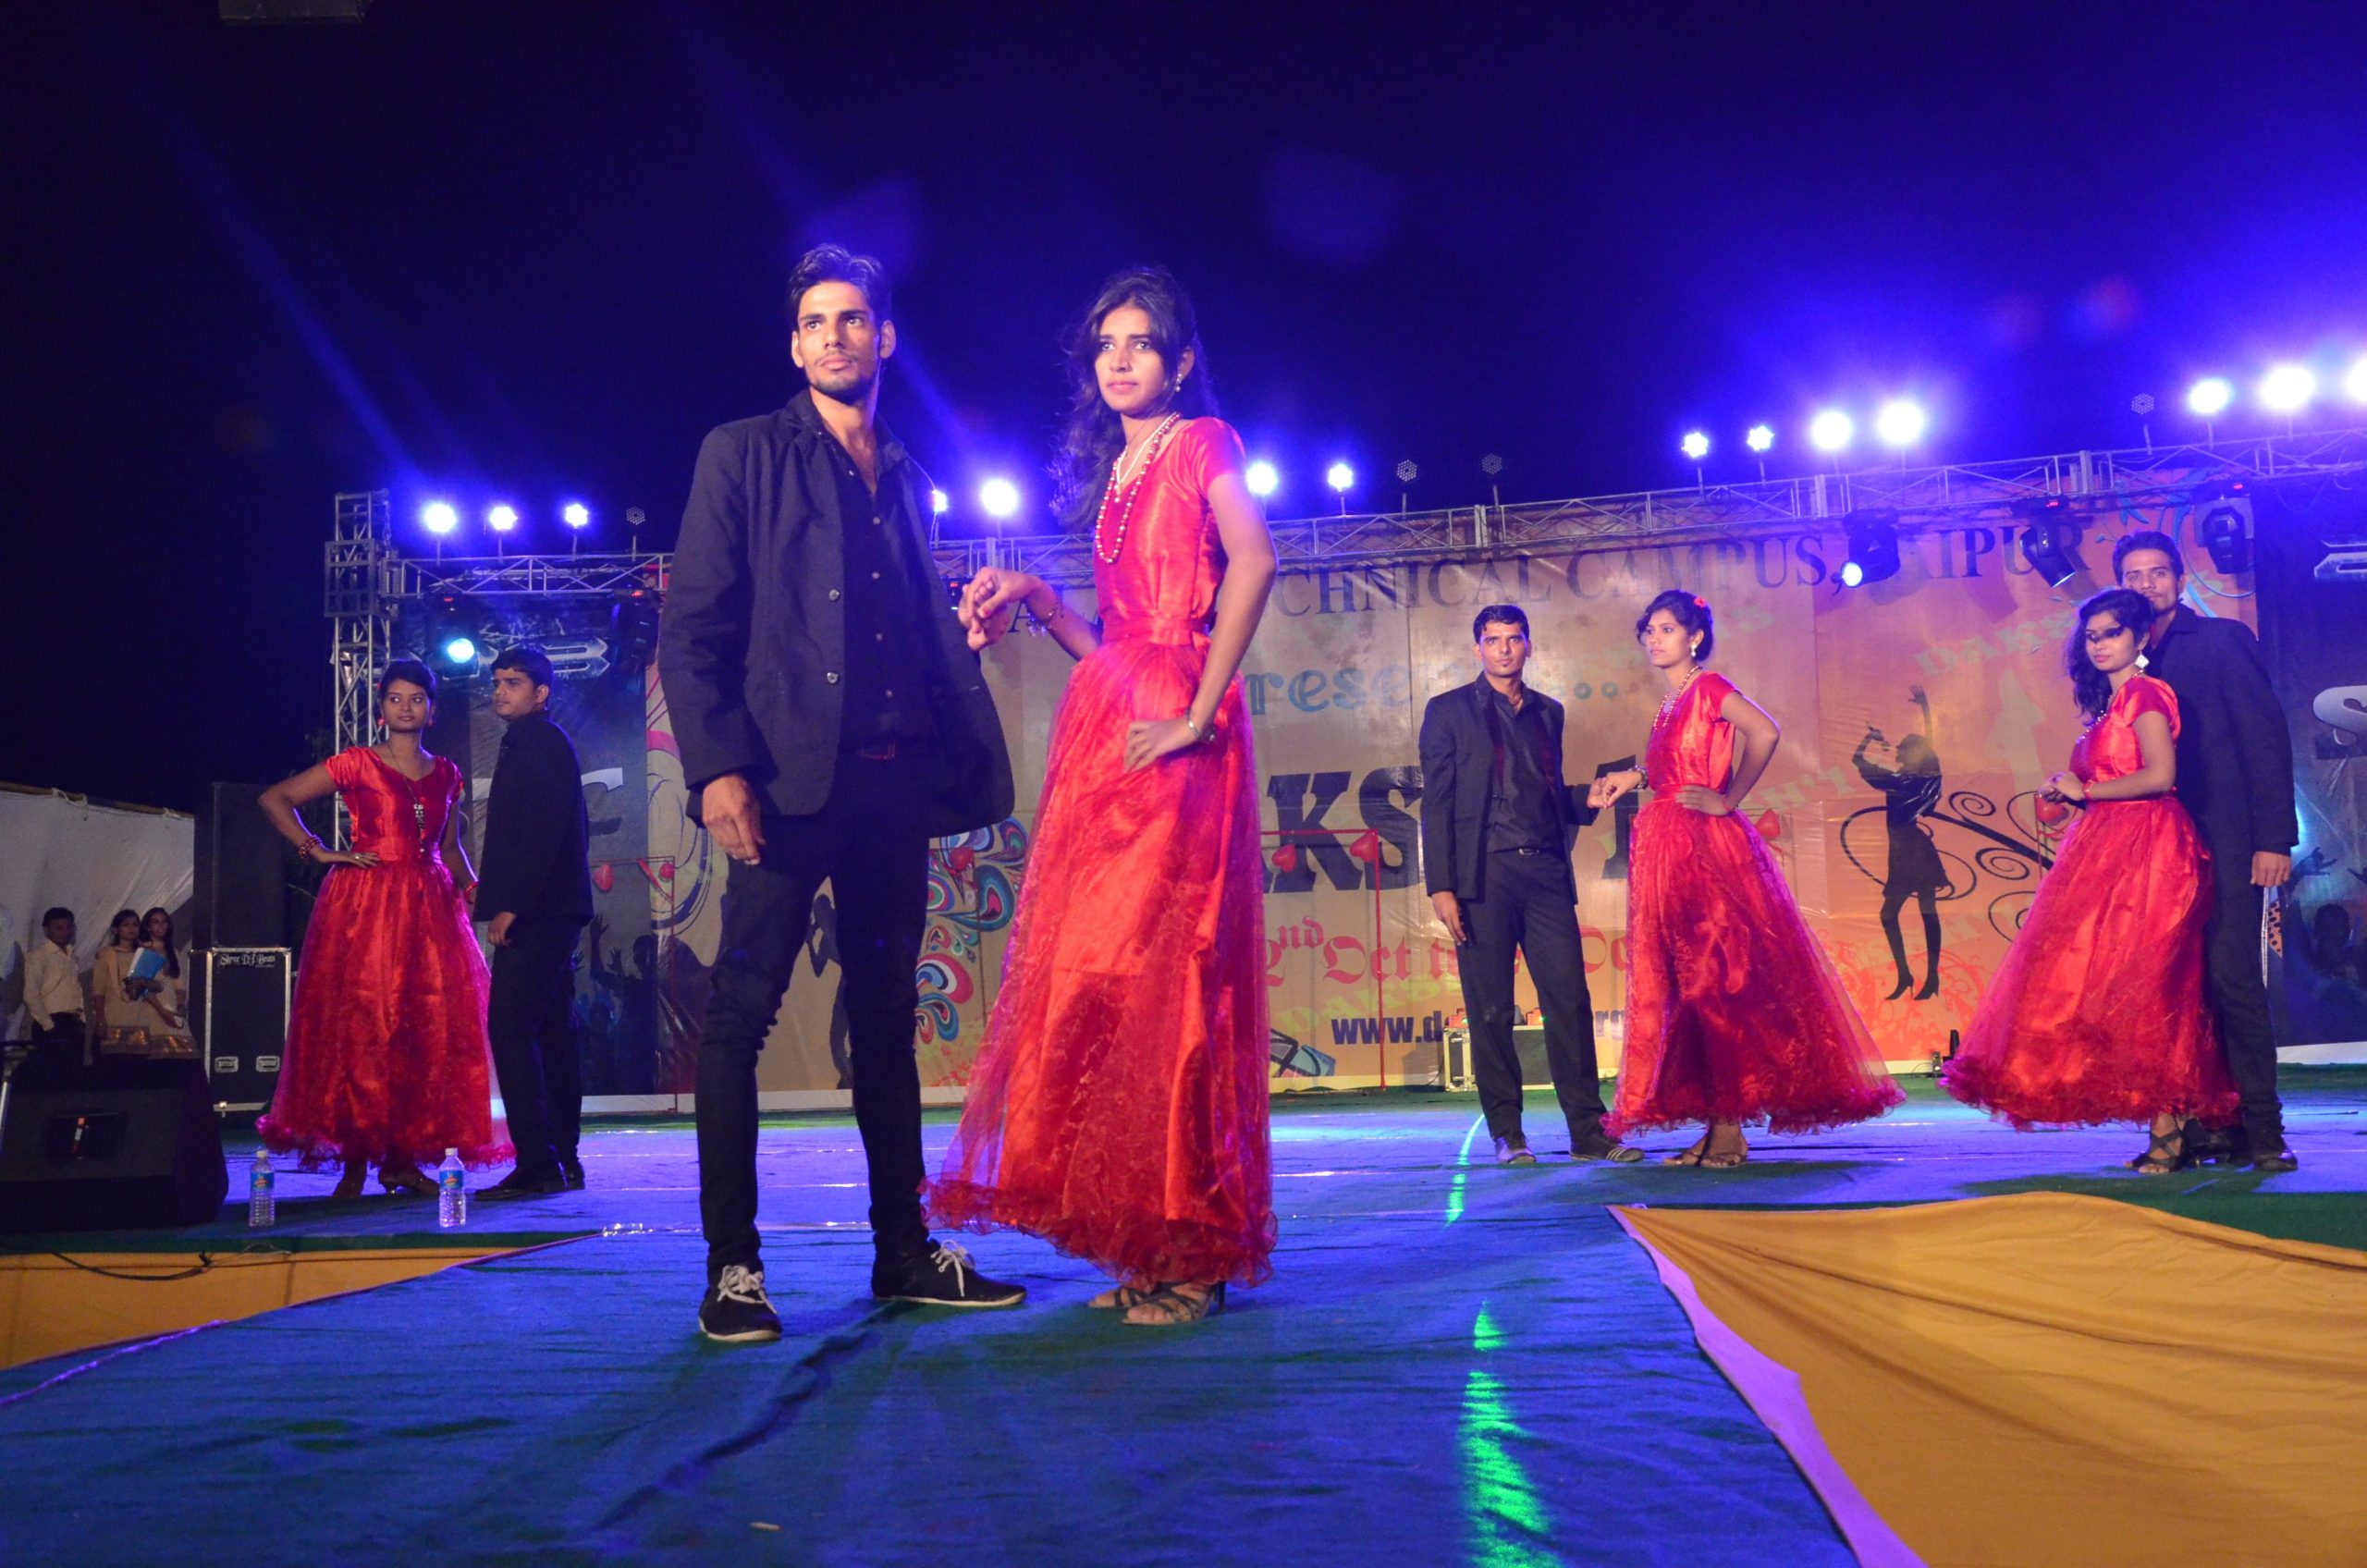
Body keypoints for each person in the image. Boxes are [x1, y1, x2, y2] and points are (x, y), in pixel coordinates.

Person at [659, 244, 1024, 1344]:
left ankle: (902, 1252)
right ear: (794, 345)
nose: (834, 336)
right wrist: (717, 768)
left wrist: (961, 630)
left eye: (853, 318)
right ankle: (733, 1270)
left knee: (885, 1021)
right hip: (782, 785)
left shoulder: (906, 475)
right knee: (740, 1016)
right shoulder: (742, 452)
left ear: (885, 338)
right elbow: (694, 625)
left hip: (891, 784)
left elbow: (896, 625)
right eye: (815, 321)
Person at [927, 265, 1279, 1327]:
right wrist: (1040, 599)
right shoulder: (1121, 470)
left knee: (1171, 982)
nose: (1120, 359)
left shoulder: (1204, 440)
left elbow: (1256, 560)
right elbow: (1114, 648)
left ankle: (1195, 1254)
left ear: (1180, 361)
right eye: (1106, 344)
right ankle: (1142, 1236)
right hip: (1116, 725)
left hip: (1175, 734)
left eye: (1142, 342)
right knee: (1110, 985)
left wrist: (1199, 712)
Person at [1588, 590, 1902, 1166]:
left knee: (1714, 982)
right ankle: (1716, 1123)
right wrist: (1636, 776)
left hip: (1703, 849)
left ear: (1695, 637)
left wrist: (1729, 798)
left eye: (1667, 629)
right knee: (1686, 988)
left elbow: (1766, 731)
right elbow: (1674, 766)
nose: (1654, 638)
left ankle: (1730, 1129)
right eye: (1649, 630)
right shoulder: (1670, 700)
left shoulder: (1709, 687)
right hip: (1667, 847)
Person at [1942, 589, 2238, 1166]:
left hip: (2153, 849)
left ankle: (2169, 1132)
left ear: (2140, 637)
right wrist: (2070, 792)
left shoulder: (2146, 693)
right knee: (2102, 984)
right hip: (2111, 847)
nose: (2100, 645)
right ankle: (2167, 1126)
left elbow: (2161, 776)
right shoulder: (2113, 703)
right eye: (2093, 636)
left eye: (2112, 633)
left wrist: (2089, 790)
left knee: (2153, 985)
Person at [255, 659, 508, 1198]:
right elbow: (275, 798)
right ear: (381, 708)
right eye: (395, 699)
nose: (406, 708)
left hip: (429, 907)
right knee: (363, 1026)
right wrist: (319, 851)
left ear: (432, 710)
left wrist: (474, 890)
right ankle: (355, 1159)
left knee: (421, 1031)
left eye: (416, 699)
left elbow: (448, 848)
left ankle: (400, 1160)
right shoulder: (356, 763)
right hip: (365, 905)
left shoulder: (447, 773)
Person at [1418, 604, 1638, 1166]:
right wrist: (1441, 886)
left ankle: (1588, 1132)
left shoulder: (1548, 711)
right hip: (1482, 876)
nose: (1504, 649)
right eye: (1493, 640)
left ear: (1528, 646)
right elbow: (1437, 804)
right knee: (1491, 1008)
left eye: (1513, 639)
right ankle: (1508, 1134)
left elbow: (1541, 792)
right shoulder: (1448, 711)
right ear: (1478, 648)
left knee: (1569, 999)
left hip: (1544, 872)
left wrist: (1582, 798)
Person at [2115, 530, 2300, 1171]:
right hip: (2154, 854)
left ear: (2179, 577)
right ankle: (2200, 1127)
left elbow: (2265, 741)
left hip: (2226, 840)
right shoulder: (2124, 661)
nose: (2146, 585)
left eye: (2157, 572)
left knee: (2231, 979)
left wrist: (2273, 839)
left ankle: (2264, 1129)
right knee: (2175, 992)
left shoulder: (2222, 640)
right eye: (2133, 576)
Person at [472, 644, 594, 1198]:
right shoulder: (533, 740)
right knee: (550, 1031)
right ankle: (562, 1159)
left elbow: (543, 830)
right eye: (498, 682)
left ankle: (541, 1163)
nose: (501, 691)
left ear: (541, 693)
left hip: (538, 911)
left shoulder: (539, 740)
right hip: (552, 907)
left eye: (513, 683)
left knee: (512, 1028)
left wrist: (513, 904)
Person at [1851, 686, 1946, 999]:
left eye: (1902, 751)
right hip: (1908, 849)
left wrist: (1871, 738)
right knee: (1910, 911)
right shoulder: (1911, 779)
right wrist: (1925, 708)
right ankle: (1911, 975)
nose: (1897, 754)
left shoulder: (1904, 781)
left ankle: (1927, 976)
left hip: (1910, 850)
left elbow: (1858, 759)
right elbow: (1929, 744)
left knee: (1919, 910)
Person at [24, 907, 83, 1056]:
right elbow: (31, 994)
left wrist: (82, 1018)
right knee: (53, 1066)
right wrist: (48, 1025)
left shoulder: (73, 955)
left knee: (73, 1066)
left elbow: (76, 988)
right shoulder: (38, 956)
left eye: (69, 927)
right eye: (58, 928)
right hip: (51, 1020)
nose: (65, 932)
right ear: (46, 930)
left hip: (73, 1021)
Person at [89, 909, 143, 1045]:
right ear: (116, 930)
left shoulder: (143, 955)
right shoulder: (107, 955)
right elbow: (99, 991)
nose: (131, 928)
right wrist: (100, 1019)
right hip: (114, 1015)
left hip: (140, 1017)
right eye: (126, 925)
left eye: (135, 925)